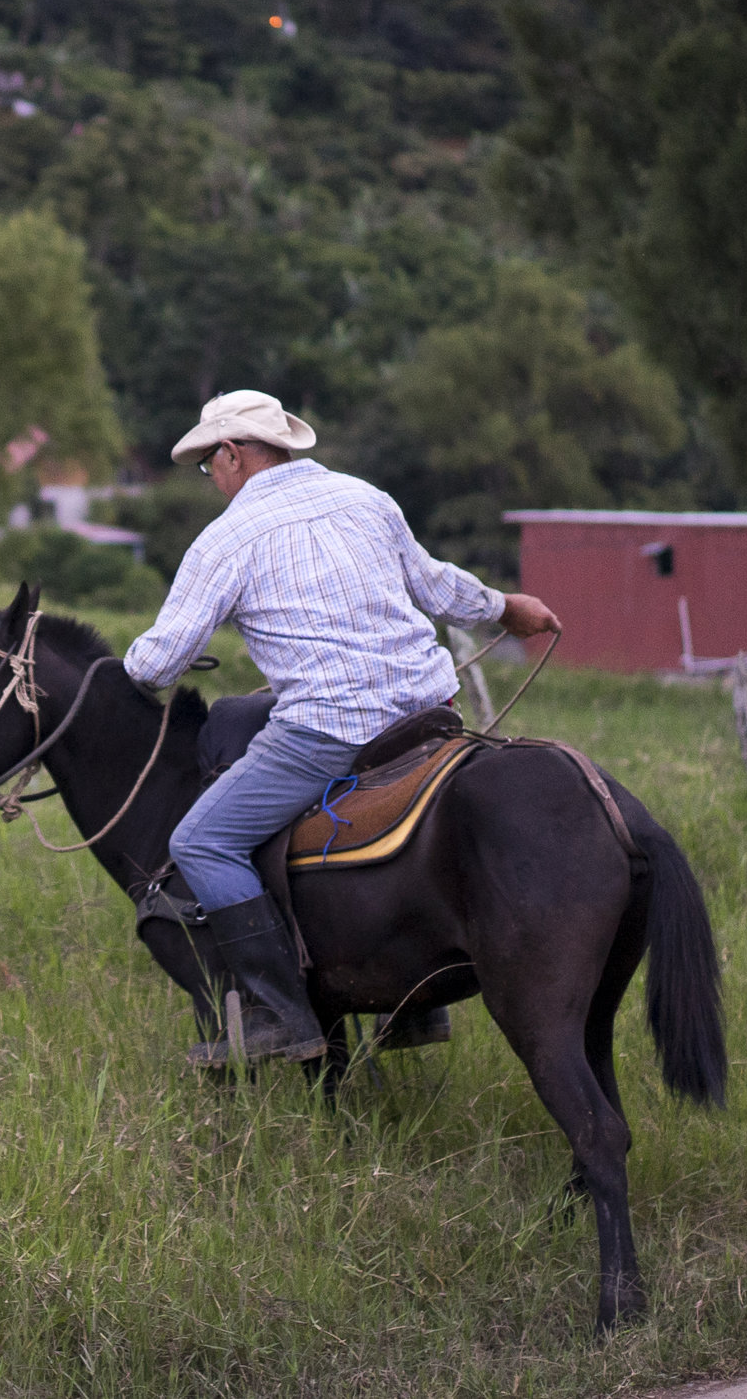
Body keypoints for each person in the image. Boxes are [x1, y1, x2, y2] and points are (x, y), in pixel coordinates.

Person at [124, 389, 562, 1067]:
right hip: (429, 713)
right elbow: (436, 586)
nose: (210, 478)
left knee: (203, 840)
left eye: (208, 464)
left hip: (329, 729)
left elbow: (159, 662)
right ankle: (416, 1007)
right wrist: (507, 607)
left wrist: (127, 661)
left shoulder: (226, 538)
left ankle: (279, 1013)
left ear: (234, 454)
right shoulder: (366, 497)